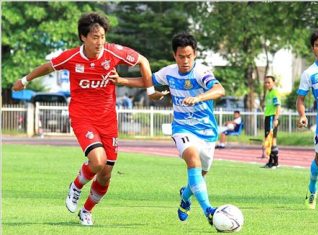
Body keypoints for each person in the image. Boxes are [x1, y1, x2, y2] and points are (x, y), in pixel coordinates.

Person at [12, 12, 161, 226]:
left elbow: (143, 61)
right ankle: (76, 186)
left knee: (106, 174)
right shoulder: (72, 57)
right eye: (94, 37)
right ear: (83, 37)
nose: (100, 42)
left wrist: (149, 90)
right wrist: (24, 80)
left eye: (102, 36)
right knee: (97, 161)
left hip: (108, 118)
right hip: (82, 116)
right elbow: (48, 67)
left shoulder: (113, 52)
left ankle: (86, 211)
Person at [111, 32, 225, 226]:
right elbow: (148, 81)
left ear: (195, 54)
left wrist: (199, 98)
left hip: (206, 131)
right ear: (175, 55)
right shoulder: (169, 72)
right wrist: (122, 81)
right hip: (182, 128)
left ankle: (185, 197)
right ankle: (209, 211)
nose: (185, 60)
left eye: (189, 56)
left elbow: (219, 90)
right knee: (192, 159)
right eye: (181, 56)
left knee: (198, 177)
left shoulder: (201, 72)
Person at [296, 29, 318, 209]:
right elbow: (300, 99)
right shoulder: (309, 73)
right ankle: (312, 189)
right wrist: (303, 115)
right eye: (317, 45)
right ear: (313, 48)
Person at [262, 75, 281, 169]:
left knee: (272, 140)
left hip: (272, 118)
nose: (267, 84)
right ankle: (270, 162)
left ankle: (276, 163)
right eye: (265, 82)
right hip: (268, 117)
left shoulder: (274, 92)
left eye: (269, 82)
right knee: (268, 140)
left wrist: (276, 119)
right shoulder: (268, 93)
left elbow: (278, 106)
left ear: (273, 83)